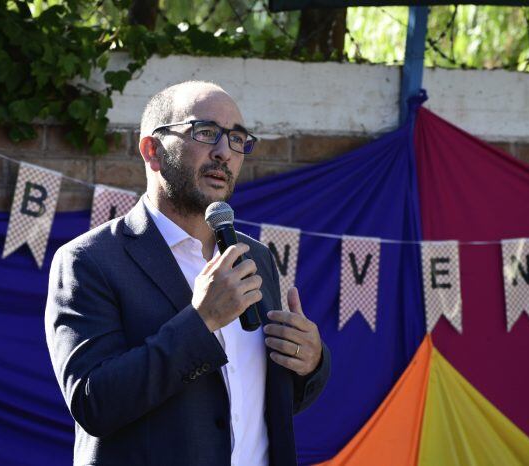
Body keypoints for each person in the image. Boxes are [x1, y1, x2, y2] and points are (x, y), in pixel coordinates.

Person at [45, 81, 330, 466]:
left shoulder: (255, 257)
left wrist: (309, 362)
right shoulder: (90, 261)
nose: (224, 152)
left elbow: (255, 403)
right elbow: (94, 402)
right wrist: (201, 321)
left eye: (237, 139)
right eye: (206, 132)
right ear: (153, 151)